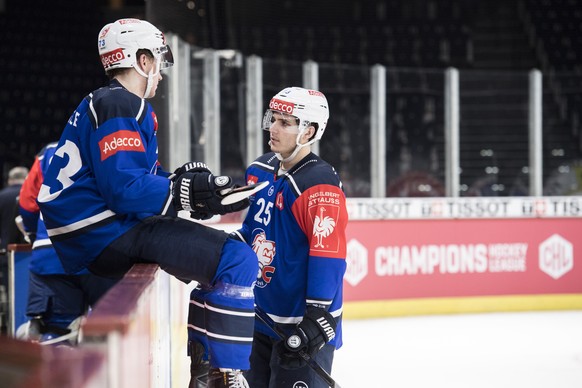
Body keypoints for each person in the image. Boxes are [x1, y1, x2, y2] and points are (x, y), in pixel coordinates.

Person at [37, 18, 258, 387]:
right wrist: (187, 193)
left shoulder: (106, 102)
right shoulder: (122, 103)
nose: (161, 71)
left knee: (222, 259)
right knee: (237, 259)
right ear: (141, 60)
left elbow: (136, 177)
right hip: (106, 231)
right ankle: (222, 374)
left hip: (94, 232)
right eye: (158, 59)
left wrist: (180, 183)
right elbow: (125, 189)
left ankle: (208, 371)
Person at [189, 87, 348, 388]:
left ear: (309, 131)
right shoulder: (260, 170)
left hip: (302, 326)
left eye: (285, 123)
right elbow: (254, 232)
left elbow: (328, 255)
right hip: (259, 316)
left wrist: (315, 317)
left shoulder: (319, 184)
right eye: (273, 119)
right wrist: (219, 249)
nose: (273, 128)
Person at [18, 142, 119, 344]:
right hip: (101, 251)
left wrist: (34, 234)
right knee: (109, 332)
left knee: (57, 332)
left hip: (51, 256)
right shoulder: (116, 144)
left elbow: (27, 205)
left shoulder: (48, 153)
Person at [0, 166, 28, 333]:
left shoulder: (1, 197)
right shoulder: (31, 195)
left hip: (6, 254)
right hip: (29, 253)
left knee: (10, 295)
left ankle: (10, 329)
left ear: (10, 180)